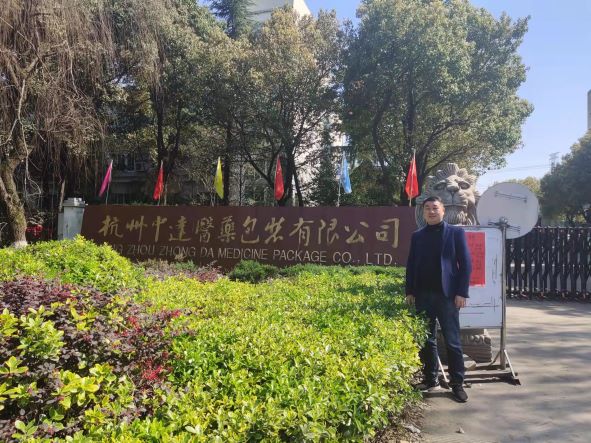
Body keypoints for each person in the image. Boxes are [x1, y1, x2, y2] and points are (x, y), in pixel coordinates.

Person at [405, 196, 472, 402]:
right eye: (427, 208)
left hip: (447, 296)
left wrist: (462, 292)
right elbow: (411, 264)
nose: (431, 211)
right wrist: (409, 291)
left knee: (452, 341)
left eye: (435, 208)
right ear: (423, 212)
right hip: (423, 295)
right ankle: (430, 378)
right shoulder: (417, 236)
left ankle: (457, 383)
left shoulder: (455, 233)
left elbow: (465, 264)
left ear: (442, 210)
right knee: (427, 340)